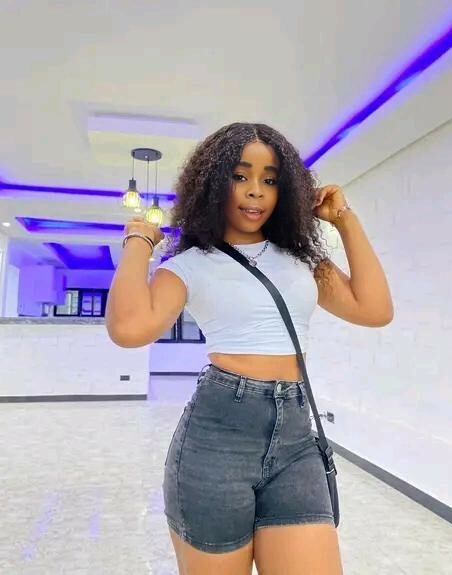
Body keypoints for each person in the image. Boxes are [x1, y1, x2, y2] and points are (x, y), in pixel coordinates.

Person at [106, 122, 393, 575]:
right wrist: (139, 241)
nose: (256, 190)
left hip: (296, 438)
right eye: (240, 176)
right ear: (212, 183)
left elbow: (374, 309)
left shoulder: (303, 261)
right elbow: (128, 329)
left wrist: (344, 218)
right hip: (217, 439)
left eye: (270, 179)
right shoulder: (188, 266)